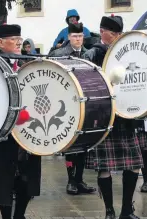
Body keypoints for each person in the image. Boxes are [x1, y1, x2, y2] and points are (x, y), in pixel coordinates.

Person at [0, 24, 41, 219]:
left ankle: (19, 214)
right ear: (1, 42)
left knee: (27, 176)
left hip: (27, 129)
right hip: (1, 131)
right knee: (3, 178)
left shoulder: (28, 64)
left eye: (20, 39)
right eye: (14, 39)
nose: (18, 43)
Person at [83, 15, 143, 219]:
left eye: (119, 33)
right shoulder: (94, 53)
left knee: (134, 164)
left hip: (127, 117)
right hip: (106, 117)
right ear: (102, 32)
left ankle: (127, 210)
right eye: (114, 34)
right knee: (104, 167)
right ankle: (109, 211)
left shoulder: (126, 51)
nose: (118, 37)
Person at [49, 22, 96, 195]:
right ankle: (71, 180)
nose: (78, 39)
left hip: (87, 102)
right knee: (71, 145)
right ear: (69, 37)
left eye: (81, 36)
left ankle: (80, 179)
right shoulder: (58, 54)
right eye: (75, 36)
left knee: (84, 144)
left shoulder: (88, 54)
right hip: (67, 104)